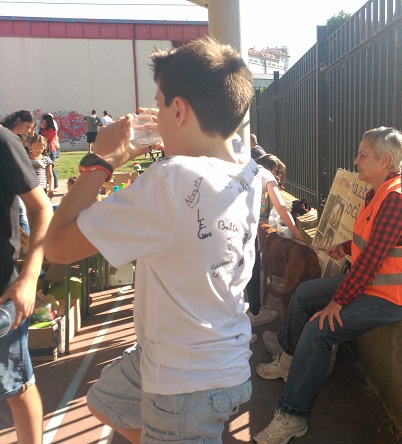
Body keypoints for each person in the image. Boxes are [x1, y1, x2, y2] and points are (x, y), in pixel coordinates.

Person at [45, 36, 257, 443]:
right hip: (219, 361)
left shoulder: (169, 182)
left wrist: (100, 160)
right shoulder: (245, 168)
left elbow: (57, 246)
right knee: (107, 399)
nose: (154, 116)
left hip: (183, 382)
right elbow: (208, 144)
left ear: (179, 110)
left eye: (160, 104)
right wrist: (176, 133)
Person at [253, 127, 402, 444]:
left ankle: (292, 417)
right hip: (375, 284)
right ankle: (290, 361)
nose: (356, 160)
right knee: (306, 294)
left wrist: (338, 302)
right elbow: (376, 243)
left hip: (395, 297)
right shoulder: (378, 191)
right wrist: (347, 247)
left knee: (321, 328)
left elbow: (373, 259)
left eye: (363, 155)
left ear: (385, 159)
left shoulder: (395, 198)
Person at [0, 119, 53, 444]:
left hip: (2, 298)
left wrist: (30, 277)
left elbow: (41, 208)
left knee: (16, 386)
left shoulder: (3, 142)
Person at [246, 154, 304, 327]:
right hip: (244, 230)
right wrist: (297, 233)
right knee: (253, 267)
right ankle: (254, 313)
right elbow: (281, 207)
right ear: (274, 170)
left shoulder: (247, 168)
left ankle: (245, 312)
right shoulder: (266, 175)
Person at [27, 134, 55, 199]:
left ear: (44, 147)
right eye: (35, 147)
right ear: (30, 146)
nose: (38, 150)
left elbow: (50, 176)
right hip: (29, 189)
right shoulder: (25, 158)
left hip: (42, 188)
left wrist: (51, 189)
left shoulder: (46, 160)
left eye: (41, 148)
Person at [39, 114, 59, 190]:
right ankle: (48, 183)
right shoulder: (43, 129)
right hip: (44, 150)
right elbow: (38, 138)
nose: (42, 121)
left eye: (43, 119)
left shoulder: (51, 130)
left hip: (50, 150)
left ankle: (55, 184)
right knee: (45, 168)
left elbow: (45, 139)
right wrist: (41, 129)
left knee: (52, 168)